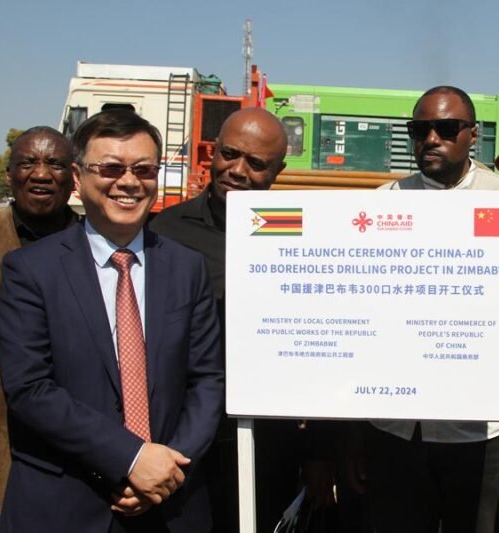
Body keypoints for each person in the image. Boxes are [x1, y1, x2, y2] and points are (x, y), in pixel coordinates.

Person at [0, 109, 223, 532]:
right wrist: (132, 458)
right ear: (79, 179)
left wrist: (167, 469)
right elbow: (29, 388)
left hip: (171, 505)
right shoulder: (30, 270)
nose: (130, 181)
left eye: (144, 169)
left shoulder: (186, 268)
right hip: (65, 506)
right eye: (111, 168)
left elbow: (207, 380)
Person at [367, 86, 499, 533]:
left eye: (446, 128)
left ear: (472, 135)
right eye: (420, 130)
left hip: (479, 430)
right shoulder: (382, 204)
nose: (431, 138)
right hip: (396, 426)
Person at [152, 107, 336, 533]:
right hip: (182, 438)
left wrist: (320, 452)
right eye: (229, 154)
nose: (236, 170)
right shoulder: (166, 231)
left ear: (279, 170)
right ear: (212, 152)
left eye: (255, 163)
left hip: (271, 438)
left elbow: (325, 348)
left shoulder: (301, 232)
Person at [0, 127, 78, 516]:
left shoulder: (101, 247)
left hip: (78, 439)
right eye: (28, 163)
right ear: (9, 176)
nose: (41, 173)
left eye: (54, 163)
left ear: (73, 175)